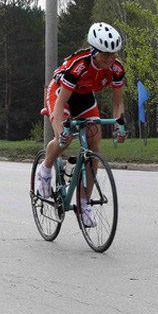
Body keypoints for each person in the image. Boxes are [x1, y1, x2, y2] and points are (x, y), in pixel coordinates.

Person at [36, 22, 127, 227]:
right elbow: (60, 104)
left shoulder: (116, 68)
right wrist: (61, 131)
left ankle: (84, 203)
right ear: (94, 51)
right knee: (64, 140)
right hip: (60, 94)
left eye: (113, 54)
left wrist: (119, 127)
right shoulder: (79, 65)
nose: (110, 59)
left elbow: (117, 102)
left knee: (94, 146)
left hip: (85, 98)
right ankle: (45, 169)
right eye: (105, 54)